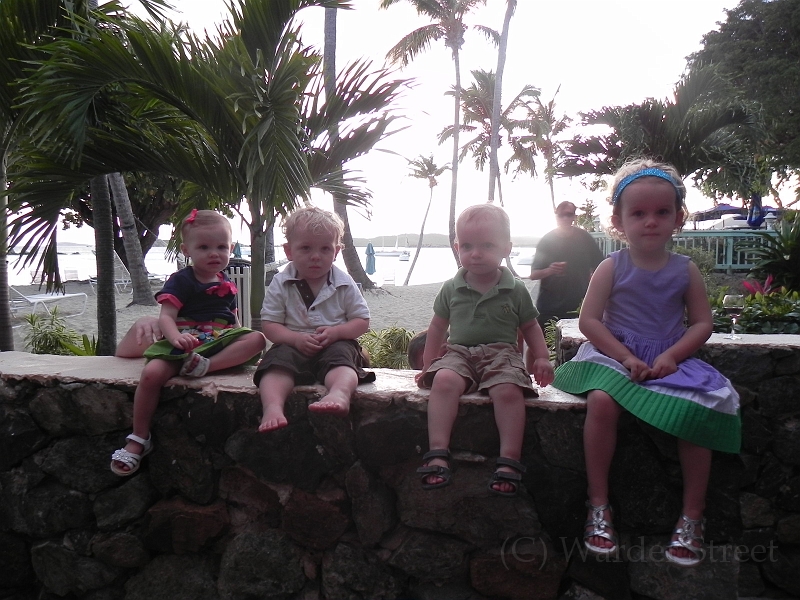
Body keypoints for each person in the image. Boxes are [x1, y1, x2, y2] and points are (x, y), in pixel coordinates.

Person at [551, 160, 741, 566]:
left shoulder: (685, 270)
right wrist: (625, 356)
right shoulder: (611, 267)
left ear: (678, 218)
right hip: (614, 355)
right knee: (602, 401)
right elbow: (589, 321)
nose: (650, 221)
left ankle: (692, 515)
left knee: (698, 409)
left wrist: (672, 355)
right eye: (638, 213)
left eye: (661, 212)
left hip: (670, 357)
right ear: (618, 222)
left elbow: (702, 322)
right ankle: (598, 504)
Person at [111, 210, 267, 476]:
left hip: (215, 342)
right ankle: (139, 437)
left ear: (231, 248)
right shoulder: (181, 280)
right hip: (185, 340)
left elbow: (234, 320)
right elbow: (167, 317)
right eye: (204, 247)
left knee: (258, 338)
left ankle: (205, 366)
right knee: (151, 374)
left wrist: (240, 343)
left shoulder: (226, 282)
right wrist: (175, 338)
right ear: (187, 250)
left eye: (221, 247)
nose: (214, 253)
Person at [415, 204, 554, 496]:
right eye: (467, 246)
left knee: (508, 389)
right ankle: (438, 452)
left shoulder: (515, 289)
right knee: (444, 381)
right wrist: (429, 364)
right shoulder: (451, 288)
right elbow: (437, 327)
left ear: (506, 248)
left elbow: (530, 326)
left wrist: (542, 357)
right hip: (459, 353)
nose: (475, 253)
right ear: (457, 248)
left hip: (502, 353)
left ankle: (509, 459)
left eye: (487, 245)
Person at [254, 206, 374, 432]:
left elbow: (361, 320)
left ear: (336, 252)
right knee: (275, 365)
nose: (316, 256)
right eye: (306, 248)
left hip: (335, 343)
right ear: (289, 251)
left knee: (342, 360)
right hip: (292, 344)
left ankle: (339, 393)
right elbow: (270, 325)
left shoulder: (344, 282)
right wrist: (295, 339)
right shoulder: (281, 282)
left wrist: (337, 332)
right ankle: (273, 407)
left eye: (325, 249)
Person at [529, 201, 604, 327]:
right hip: (550, 308)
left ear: (574, 217)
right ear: (556, 217)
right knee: (546, 339)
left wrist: (593, 281)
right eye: (561, 215)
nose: (564, 218)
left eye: (568, 215)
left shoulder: (585, 238)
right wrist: (550, 270)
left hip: (579, 307)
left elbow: (600, 266)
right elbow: (533, 275)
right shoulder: (547, 241)